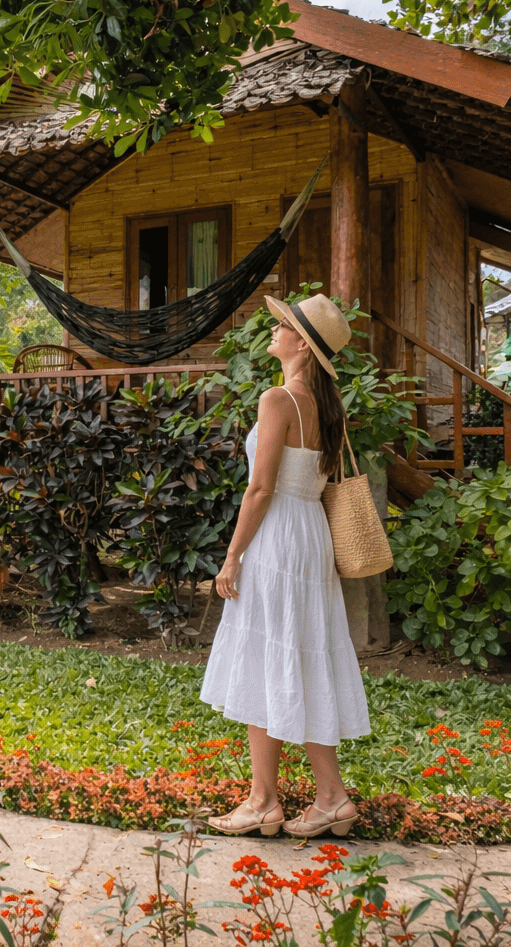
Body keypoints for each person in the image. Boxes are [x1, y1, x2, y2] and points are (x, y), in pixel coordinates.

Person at [199, 293, 370, 839]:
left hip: (277, 538)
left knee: (266, 658)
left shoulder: (278, 399)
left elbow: (261, 489)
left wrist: (231, 557)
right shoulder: (326, 405)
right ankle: (328, 798)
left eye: (284, 325)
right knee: (301, 657)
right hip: (310, 535)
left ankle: (263, 801)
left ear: (302, 344)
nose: (273, 329)